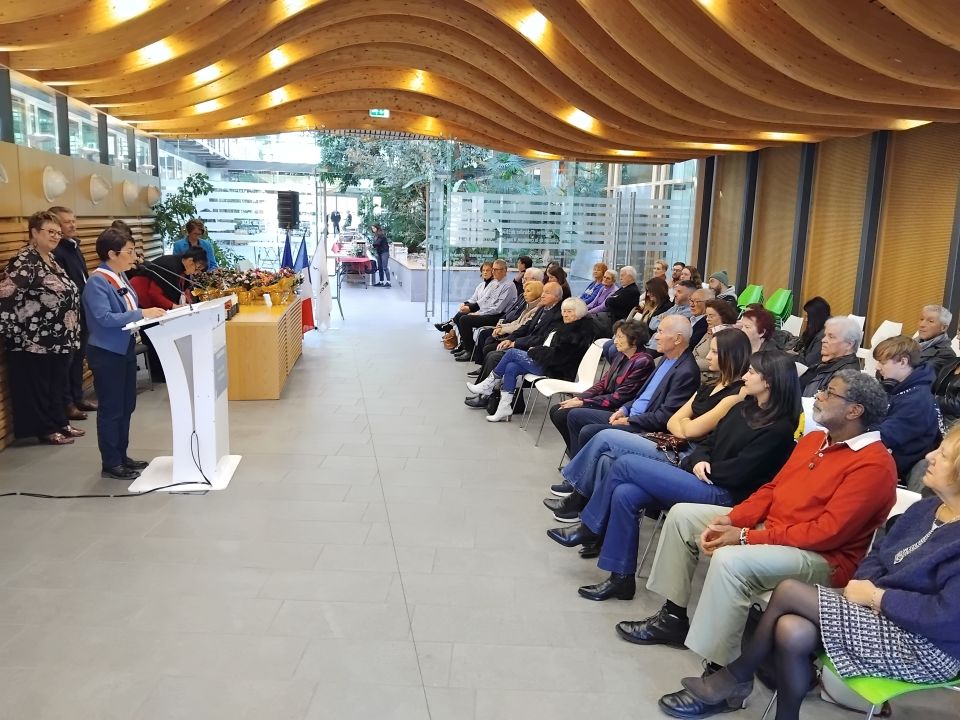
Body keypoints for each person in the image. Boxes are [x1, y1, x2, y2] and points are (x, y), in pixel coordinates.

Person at [632, 370, 896, 718]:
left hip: (823, 559)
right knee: (683, 515)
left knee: (732, 562)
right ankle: (673, 616)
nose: (817, 396)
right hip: (777, 531)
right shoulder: (815, 441)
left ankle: (725, 679)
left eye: (830, 393)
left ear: (854, 411)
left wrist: (744, 537)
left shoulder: (874, 464)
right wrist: (734, 518)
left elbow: (827, 533)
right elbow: (773, 490)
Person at [678, 426, 960, 720]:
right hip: (879, 615)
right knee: (792, 629)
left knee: (789, 591)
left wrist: (877, 597)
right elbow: (878, 554)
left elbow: (946, 617)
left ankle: (736, 675)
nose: (929, 456)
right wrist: (869, 590)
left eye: (942, 454)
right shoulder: (924, 509)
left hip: (925, 648)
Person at [550, 350, 801, 603]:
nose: (745, 376)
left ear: (768, 380)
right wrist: (700, 460)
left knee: (625, 465)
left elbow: (743, 473)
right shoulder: (743, 408)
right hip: (703, 477)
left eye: (752, 372)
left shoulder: (779, 429)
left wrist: (702, 466)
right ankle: (621, 579)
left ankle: (589, 527)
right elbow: (707, 443)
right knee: (626, 493)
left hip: (726, 495)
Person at [550, 327, 751, 523]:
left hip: (684, 452)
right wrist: (681, 425)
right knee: (603, 455)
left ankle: (576, 495)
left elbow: (687, 428)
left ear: (730, 355)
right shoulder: (709, 384)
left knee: (602, 437)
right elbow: (675, 421)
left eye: (715, 352)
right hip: (674, 440)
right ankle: (586, 514)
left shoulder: (735, 393)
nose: (707, 357)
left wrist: (682, 425)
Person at [82, 228, 166, 480]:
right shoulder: (98, 281)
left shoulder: (120, 277)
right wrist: (142, 314)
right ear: (112, 253)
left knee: (127, 405)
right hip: (107, 352)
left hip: (124, 347)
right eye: (129, 251)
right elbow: (103, 318)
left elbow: (128, 306)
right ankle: (111, 462)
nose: (134, 256)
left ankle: (122, 455)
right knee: (112, 409)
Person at [563, 315, 701, 457]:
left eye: (660, 332)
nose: (656, 337)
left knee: (588, 431)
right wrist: (624, 409)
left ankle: (580, 473)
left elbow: (663, 417)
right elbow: (642, 396)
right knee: (574, 415)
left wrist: (628, 420)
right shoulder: (666, 358)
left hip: (643, 425)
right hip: (631, 414)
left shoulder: (686, 371)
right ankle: (578, 465)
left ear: (678, 339)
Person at [0, 211, 82, 445]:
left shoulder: (50, 258)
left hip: (59, 338)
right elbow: (6, 296)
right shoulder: (25, 260)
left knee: (57, 384)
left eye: (58, 232)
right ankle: (46, 429)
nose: (56, 236)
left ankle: (60, 422)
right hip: (35, 340)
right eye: (50, 232)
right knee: (41, 388)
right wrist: (18, 332)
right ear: (34, 232)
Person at [467, 297, 594, 422]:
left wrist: (535, 350)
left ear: (579, 313)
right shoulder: (567, 326)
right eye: (564, 311)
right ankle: (504, 407)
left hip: (558, 369)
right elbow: (550, 347)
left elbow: (559, 356)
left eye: (570, 311)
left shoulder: (577, 333)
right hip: (548, 362)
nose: (565, 314)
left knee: (511, 353)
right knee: (511, 366)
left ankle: (487, 385)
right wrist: (538, 349)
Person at [548, 321, 655, 451]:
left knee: (563, 414)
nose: (615, 341)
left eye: (620, 337)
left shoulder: (643, 362)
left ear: (635, 339)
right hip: (606, 400)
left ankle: (578, 454)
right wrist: (579, 398)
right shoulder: (622, 355)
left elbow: (619, 397)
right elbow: (602, 383)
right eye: (615, 336)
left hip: (618, 408)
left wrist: (583, 402)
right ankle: (575, 451)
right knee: (556, 410)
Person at [129, 248, 208, 383]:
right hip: (142, 298)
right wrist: (174, 307)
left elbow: (184, 288)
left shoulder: (182, 267)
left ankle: (164, 370)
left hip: (154, 302)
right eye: (197, 268)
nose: (196, 272)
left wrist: (188, 302)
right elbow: (154, 293)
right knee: (153, 334)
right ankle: (157, 374)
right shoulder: (169, 266)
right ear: (190, 261)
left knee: (162, 334)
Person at [467, 282, 565, 391]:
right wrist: (510, 339)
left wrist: (516, 343)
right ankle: (487, 392)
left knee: (494, 356)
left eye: (547, 293)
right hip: (526, 344)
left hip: (537, 351)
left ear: (557, 297)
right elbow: (526, 327)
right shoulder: (543, 308)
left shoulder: (558, 315)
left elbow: (541, 339)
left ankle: (486, 392)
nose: (542, 295)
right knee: (492, 352)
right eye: (543, 292)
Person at [49, 205, 97, 421]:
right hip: (68, 315)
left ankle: (78, 397)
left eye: (73, 220)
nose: (73, 224)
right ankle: (67, 403)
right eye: (67, 222)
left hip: (82, 310)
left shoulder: (74, 246)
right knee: (67, 361)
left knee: (79, 358)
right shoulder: (56, 251)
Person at [873, 335, 941, 478]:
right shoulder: (897, 387)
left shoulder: (917, 401)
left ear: (903, 362)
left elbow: (884, 436)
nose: (877, 367)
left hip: (897, 470)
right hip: (886, 460)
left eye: (883, 362)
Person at [453, 259, 517, 361]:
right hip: (490, 313)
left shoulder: (508, 286)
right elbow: (486, 302)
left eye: (496, 269)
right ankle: (466, 347)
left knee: (465, 320)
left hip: (499, 317)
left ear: (505, 270)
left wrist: (479, 313)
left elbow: (498, 309)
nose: (493, 272)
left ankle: (470, 351)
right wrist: (474, 310)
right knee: (460, 316)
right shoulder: (497, 284)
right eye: (493, 270)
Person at [798, 315, 862, 397]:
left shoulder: (847, 377)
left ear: (849, 344)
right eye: (825, 335)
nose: (823, 340)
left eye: (831, 337)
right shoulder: (828, 363)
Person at [435, 262, 493, 336]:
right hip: (478, 308)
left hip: (486, 312)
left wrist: (469, 307)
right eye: (483, 270)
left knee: (462, 316)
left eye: (488, 270)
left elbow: (483, 302)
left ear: (492, 271)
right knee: (462, 311)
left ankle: (450, 325)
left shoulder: (494, 285)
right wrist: (465, 303)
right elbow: (474, 298)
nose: (485, 272)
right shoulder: (481, 285)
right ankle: (451, 327)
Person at [692, 298, 738, 384]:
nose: (707, 319)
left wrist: (689, 363)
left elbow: (718, 360)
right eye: (706, 316)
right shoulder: (710, 330)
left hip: (709, 379)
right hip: (695, 371)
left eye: (711, 316)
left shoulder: (728, 336)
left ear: (723, 316)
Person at [645, 279, 695, 353]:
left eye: (679, 292)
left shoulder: (689, 313)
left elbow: (662, 327)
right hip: (651, 345)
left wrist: (663, 319)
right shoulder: (675, 307)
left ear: (689, 296)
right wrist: (664, 320)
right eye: (676, 291)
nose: (675, 294)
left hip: (661, 350)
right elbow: (652, 324)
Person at [915, 304, 957, 376]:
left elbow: (920, 374)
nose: (922, 324)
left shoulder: (946, 354)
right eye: (921, 319)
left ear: (943, 328)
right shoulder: (909, 343)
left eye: (930, 321)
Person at [794, 296, 831, 367]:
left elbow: (808, 363)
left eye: (808, 317)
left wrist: (790, 356)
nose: (805, 320)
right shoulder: (817, 327)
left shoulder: (823, 336)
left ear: (816, 317)